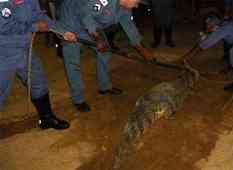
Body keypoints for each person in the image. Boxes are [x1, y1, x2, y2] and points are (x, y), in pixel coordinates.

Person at [57, 0, 155, 112]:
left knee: (105, 52)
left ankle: (105, 87)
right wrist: (98, 38)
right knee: (73, 62)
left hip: (89, 25)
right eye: (137, 2)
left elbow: (130, 28)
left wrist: (144, 52)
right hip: (70, 21)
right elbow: (84, 13)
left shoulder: (125, 9)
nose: (137, 6)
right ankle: (78, 99)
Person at [0, 0, 77, 130]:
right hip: (4, 52)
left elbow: (38, 15)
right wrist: (35, 27)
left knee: (38, 82)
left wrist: (61, 31)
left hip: (25, 48)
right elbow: (4, 26)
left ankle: (46, 119)